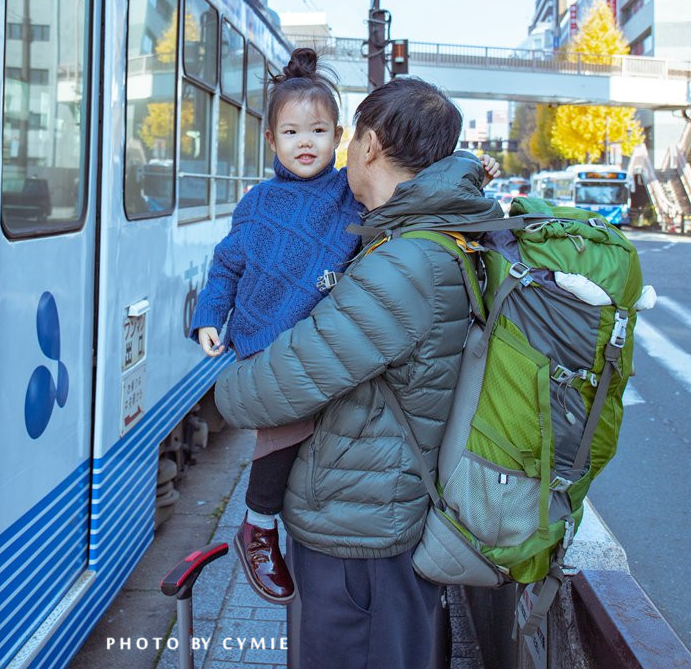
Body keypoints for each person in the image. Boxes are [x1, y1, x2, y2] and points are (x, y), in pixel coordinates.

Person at [214, 75, 501, 668]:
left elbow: (266, 392)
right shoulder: (419, 237)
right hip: (373, 510)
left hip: (360, 540)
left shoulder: (405, 262)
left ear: (366, 145)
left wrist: (225, 385)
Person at [188, 48, 363, 605]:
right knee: (282, 432)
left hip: (318, 337)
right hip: (264, 339)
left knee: (316, 433)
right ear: (271, 141)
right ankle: (257, 526)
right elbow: (227, 264)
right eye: (291, 131)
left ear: (339, 136)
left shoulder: (347, 193)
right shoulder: (257, 203)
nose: (305, 141)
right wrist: (209, 316)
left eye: (318, 130)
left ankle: (271, 525)